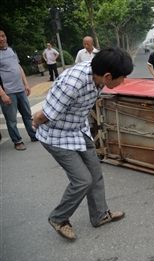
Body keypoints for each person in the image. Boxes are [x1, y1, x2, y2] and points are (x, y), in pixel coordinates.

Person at [32, 47, 133, 241]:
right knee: (82, 180)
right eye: (123, 77)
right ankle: (59, 218)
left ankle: (99, 215)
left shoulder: (98, 75)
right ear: (108, 76)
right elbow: (42, 115)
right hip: (57, 136)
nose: (124, 81)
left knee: (95, 174)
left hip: (78, 129)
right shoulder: (73, 84)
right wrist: (35, 123)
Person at [0, 28, 38, 151]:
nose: (2, 38)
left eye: (3, 35)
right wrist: (2, 94)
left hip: (20, 89)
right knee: (11, 120)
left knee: (27, 114)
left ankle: (33, 135)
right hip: (8, 92)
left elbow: (19, 67)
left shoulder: (11, 50)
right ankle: (17, 141)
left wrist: (26, 84)